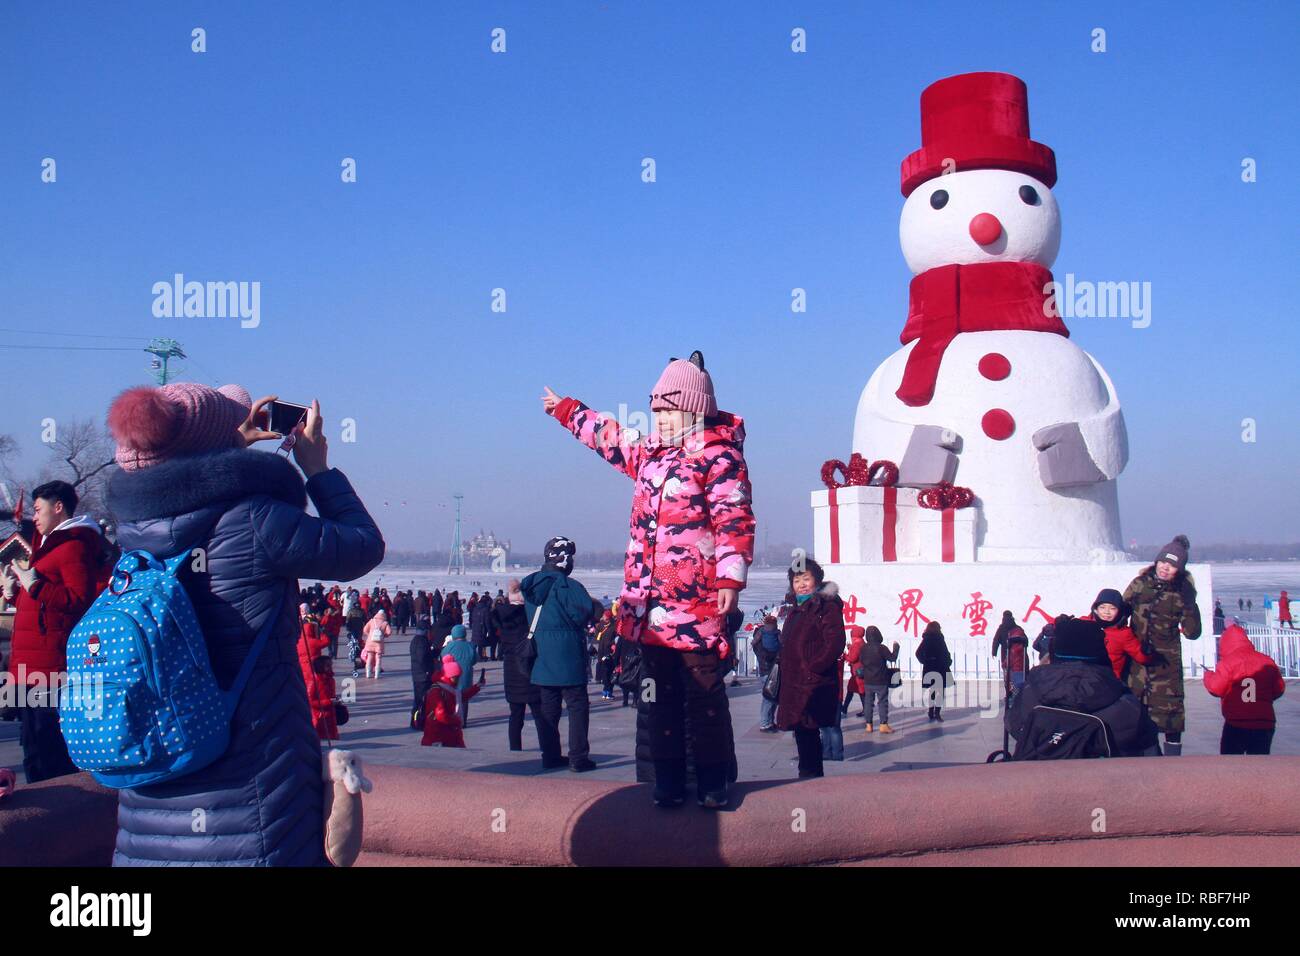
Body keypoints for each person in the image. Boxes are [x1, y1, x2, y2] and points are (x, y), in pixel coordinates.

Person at [103, 383, 383, 865]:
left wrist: (228, 446)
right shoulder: (255, 520)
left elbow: (191, 488)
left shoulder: (131, 537)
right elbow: (362, 545)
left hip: (152, 785)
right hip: (253, 790)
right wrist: (316, 469)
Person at [541, 349, 756, 808]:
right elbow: (608, 436)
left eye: (668, 410)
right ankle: (670, 781)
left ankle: (716, 781)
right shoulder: (650, 455)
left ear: (695, 410)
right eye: (655, 409)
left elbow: (734, 519)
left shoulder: (719, 458)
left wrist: (729, 579)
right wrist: (567, 410)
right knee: (658, 698)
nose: (659, 418)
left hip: (695, 599)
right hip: (649, 604)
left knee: (703, 693)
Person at [0, 479, 105, 783]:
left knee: (47, 752)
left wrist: (35, 584)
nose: (34, 517)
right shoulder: (47, 544)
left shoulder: (73, 545)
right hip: (29, 665)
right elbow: (42, 604)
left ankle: (58, 820)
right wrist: (13, 594)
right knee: (33, 747)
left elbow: (77, 599)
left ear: (58, 507)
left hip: (49, 667)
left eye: (38, 509)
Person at [1007, 615, 1160, 759]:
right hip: (1108, 781)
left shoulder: (1030, 691)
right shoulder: (1124, 701)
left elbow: (1014, 726)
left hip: (1039, 779)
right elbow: (1148, 750)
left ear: (1055, 651)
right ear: (1101, 652)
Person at [521, 537, 597, 772]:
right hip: (568, 656)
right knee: (577, 707)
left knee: (549, 709)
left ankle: (550, 754)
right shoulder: (568, 586)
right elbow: (582, 614)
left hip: (542, 657)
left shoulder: (532, 585)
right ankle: (578, 757)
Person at [1123, 534, 1201, 756]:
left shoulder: (1182, 591)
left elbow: (1192, 632)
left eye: (1172, 565)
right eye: (1163, 562)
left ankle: (1172, 762)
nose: (1166, 568)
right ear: (1156, 561)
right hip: (1137, 660)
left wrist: (1189, 603)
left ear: (1181, 569)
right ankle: (1139, 757)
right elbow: (1121, 612)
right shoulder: (1139, 585)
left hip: (1166, 663)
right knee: (1134, 712)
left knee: (1170, 716)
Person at [774, 559, 845, 778]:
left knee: (810, 731)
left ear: (817, 580)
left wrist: (812, 669)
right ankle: (807, 776)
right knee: (802, 732)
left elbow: (835, 642)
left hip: (812, 682)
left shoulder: (825, 606)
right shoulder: (797, 609)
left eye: (807, 579)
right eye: (797, 580)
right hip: (795, 682)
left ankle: (811, 780)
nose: (802, 584)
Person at [1203, 623, 1286, 754]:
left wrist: (1208, 676)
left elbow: (1215, 689)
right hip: (1264, 722)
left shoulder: (1227, 663)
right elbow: (1279, 689)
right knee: (1260, 763)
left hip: (1236, 722)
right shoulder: (1267, 661)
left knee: (1232, 763)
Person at [494, 579, 545, 751]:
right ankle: (547, 747)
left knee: (515, 716)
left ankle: (515, 749)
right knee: (540, 715)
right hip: (529, 670)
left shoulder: (501, 616)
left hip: (511, 672)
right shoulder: (529, 617)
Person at [1084, 588, 1155, 681]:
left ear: (1119, 611)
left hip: (1107, 679)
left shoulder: (1123, 633)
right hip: (1083, 673)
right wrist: (1060, 622)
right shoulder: (1085, 623)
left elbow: (1138, 654)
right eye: (1102, 607)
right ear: (1096, 609)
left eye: (1112, 608)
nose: (1107, 612)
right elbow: (1064, 629)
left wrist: (1145, 652)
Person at [421, 656, 486, 748]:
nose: (458, 680)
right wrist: (457, 720)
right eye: (456, 677)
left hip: (450, 733)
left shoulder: (450, 688)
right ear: (449, 676)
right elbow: (440, 715)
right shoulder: (437, 691)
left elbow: (461, 696)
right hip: (438, 736)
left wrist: (477, 686)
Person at [297, 605, 338, 741]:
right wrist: (320, 631)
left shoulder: (298, 640)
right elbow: (326, 641)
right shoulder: (314, 641)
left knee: (306, 690)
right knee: (317, 691)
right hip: (315, 669)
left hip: (302, 669)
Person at [855, 625, 899, 733]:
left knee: (868, 702)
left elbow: (861, 660)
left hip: (868, 680)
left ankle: (868, 725)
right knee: (882, 702)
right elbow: (892, 658)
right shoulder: (881, 647)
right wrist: (896, 648)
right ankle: (883, 725)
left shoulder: (863, 648)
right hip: (881, 680)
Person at [441, 624, 478, 725]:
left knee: (452, 698)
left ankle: (453, 718)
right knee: (464, 699)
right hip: (466, 676)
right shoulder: (470, 646)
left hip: (452, 677)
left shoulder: (449, 647)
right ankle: (463, 721)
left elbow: (443, 658)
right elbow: (474, 660)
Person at [916, 621, 953, 721]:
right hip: (941, 667)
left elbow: (918, 653)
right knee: (940, 692)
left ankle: (931, 711)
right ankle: (937, 713)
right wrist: (948, 662)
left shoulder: (926, 639)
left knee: (932, 691)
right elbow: (946, 653)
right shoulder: (940, 639)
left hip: (930, 667)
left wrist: (925, 661)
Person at [752, 615, 781, 731]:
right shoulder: (777, 633)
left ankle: (769, 721)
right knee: (769, 697)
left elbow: (754, 644)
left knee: (771, 697)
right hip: (771, 669)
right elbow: (783, 643)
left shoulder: (760, 632)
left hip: (765, 669)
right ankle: (765, 723)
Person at [409, 613, 435, 730]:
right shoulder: (421, 641)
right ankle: (418, 722)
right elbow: (422, 658)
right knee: (421, 700)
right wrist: (427, 671)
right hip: (422, 676)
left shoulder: (416, 640)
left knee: (419, 699)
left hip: (417, 674)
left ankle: (416, 721)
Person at [841, 625, 867, 717]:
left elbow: (852, 658)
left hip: (857, 672)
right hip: (860, 671)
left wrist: (844, 656)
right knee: (856, 690)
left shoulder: (856, 644)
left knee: (857, 690)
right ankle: (845, 708)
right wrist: (850, 648)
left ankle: (845, 708)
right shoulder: (862, 642)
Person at [362, 608, 391, 679]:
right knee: (378, 658)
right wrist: (384, 636)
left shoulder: (371, 621)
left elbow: (365, 630)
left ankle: (368, 673)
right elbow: (389, 632)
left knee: (369, 657)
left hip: (370, 642)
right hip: (379, 643)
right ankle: (377, 674)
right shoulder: (385, 623)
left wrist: (369, 635)